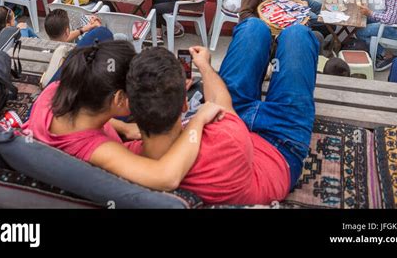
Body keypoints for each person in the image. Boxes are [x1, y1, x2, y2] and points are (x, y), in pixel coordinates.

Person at [126, 20, 319, 205]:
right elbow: (219, 101)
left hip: (231, 119)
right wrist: (204, 65)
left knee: (253, 28)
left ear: (129, 106)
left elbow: (98, 135)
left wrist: (123, 127)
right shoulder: (227, 139)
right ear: (185, 104)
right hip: (279, 145)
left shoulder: (130, 156)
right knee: (297, 34)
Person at [23, 40, 224, 187]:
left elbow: (86, 120)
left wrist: (125, 127)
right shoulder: (102, 150)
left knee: (102, 35)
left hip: (63, 116)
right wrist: (198, 120)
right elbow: (167, 177)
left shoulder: (55, 92)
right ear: (120, 99)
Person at [44, 8, 113, 47]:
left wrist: (83, 29)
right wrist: (97, 25)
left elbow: (64, 38)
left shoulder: (47, 48)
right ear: (67, 32)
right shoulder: (75, 50)